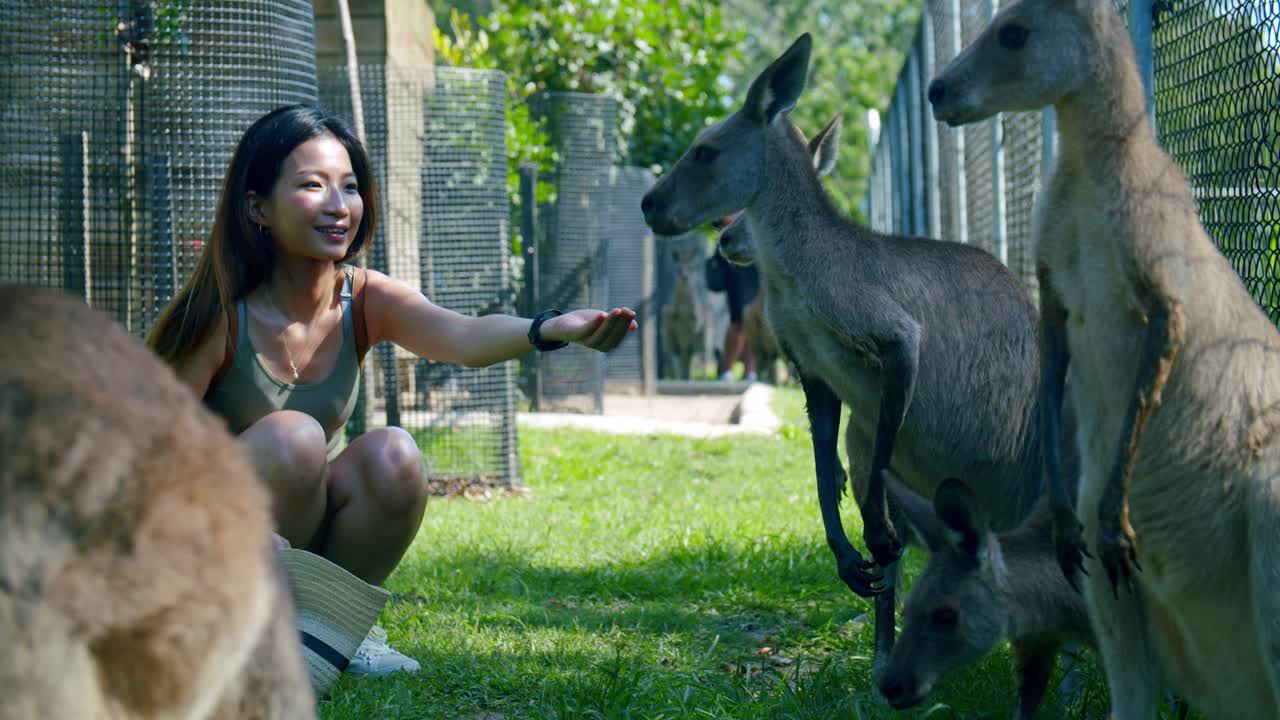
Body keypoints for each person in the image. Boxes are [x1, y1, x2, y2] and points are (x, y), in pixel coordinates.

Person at [147, 104, 636, 678]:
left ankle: (335, 628)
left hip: (290, 547)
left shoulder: (363, 297)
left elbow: (462, 337)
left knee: (394, 457)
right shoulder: (216, 315)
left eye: (349, 187)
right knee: (296, 438)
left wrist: (550, 328)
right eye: (312, 186)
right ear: (257, 206)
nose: (339, 206)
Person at [710, 214, 759, 383]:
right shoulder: (727, 225)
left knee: (752, 326)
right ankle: (727, 371)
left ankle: (751, 372)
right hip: (736, 274)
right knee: (738, 323)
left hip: (753, 275)